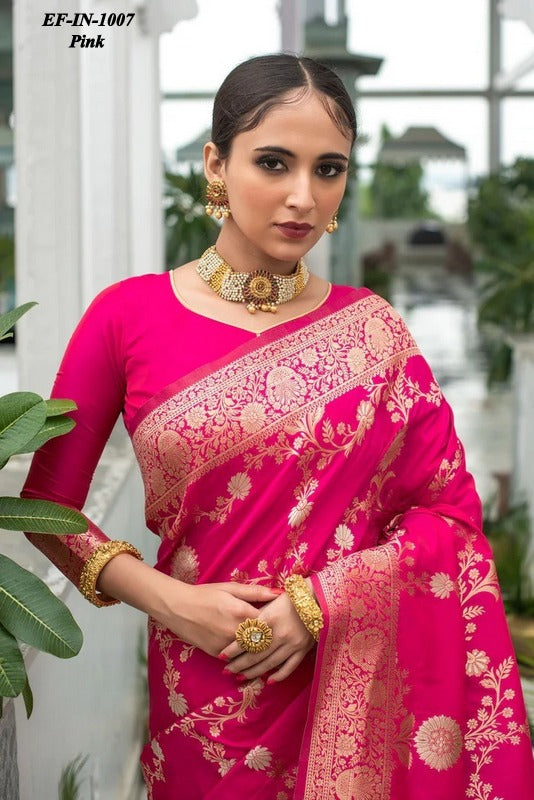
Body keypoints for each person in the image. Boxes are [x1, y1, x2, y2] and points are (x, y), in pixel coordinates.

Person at [22, 54, 534, 799]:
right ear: (216, 165)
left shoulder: (373, 332)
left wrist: (320, 603)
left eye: (329, 169)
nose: (303, 197)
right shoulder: (125, 317)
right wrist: (172, 602)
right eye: (273, 162)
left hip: (349, 683)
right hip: (205, 686)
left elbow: (448, 516)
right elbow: (46, 510)